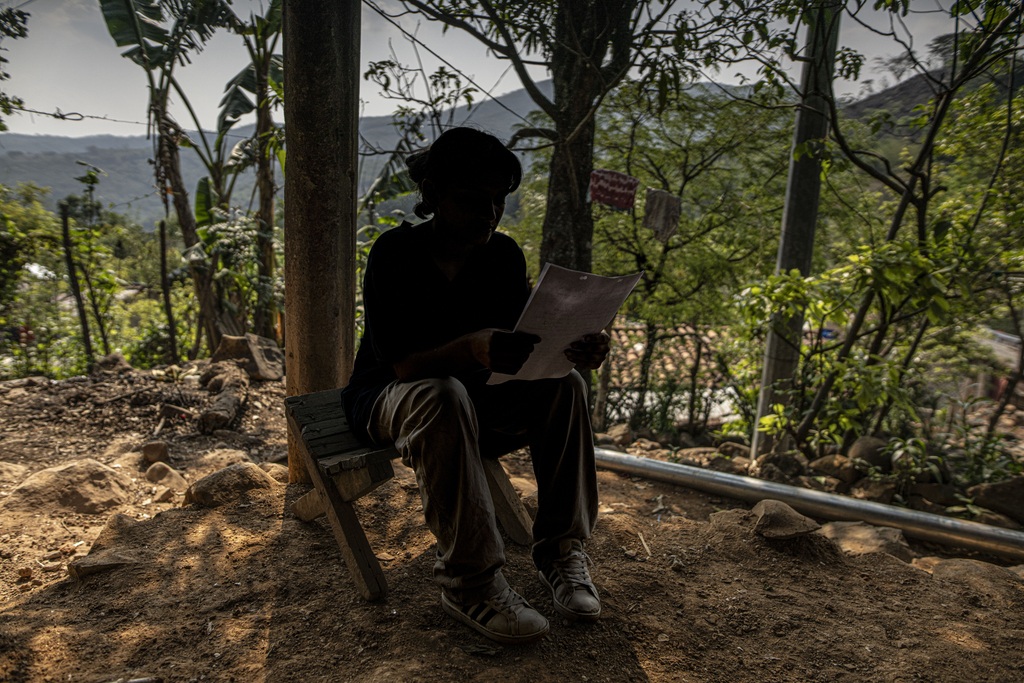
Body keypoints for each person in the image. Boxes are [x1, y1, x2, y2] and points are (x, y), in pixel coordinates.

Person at [341, 126, 610, 645]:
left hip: (476, 403)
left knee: (567, 385)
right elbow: (400, 366)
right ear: (433, 196)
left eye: (497, 201)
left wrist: (574, 348)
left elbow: (521, 343)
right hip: (391, 400)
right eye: (472, 199)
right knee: (441, 392)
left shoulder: (502, 256)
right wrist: (472, 347)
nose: (488, 214)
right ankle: (471, 581)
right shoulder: (394, 254)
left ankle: (561, 552)